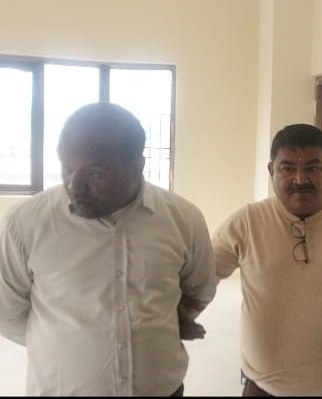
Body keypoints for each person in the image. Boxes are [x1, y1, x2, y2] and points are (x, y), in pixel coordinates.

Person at [0, 102, 217, 396]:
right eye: (67, 168)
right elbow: (8, 313)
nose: (75, 186)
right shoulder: (26, 223)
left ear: (137, 167)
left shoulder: (184, 219)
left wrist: (164, 319)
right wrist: (67, 344)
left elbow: (199, 290)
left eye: (95, 173)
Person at [212, 123, 322, 396]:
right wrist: (182, 313)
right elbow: (201, 276)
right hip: (263, 389)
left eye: (313, 167)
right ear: (271, 170)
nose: (300, 179)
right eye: (287, 168)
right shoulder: (246, 223)